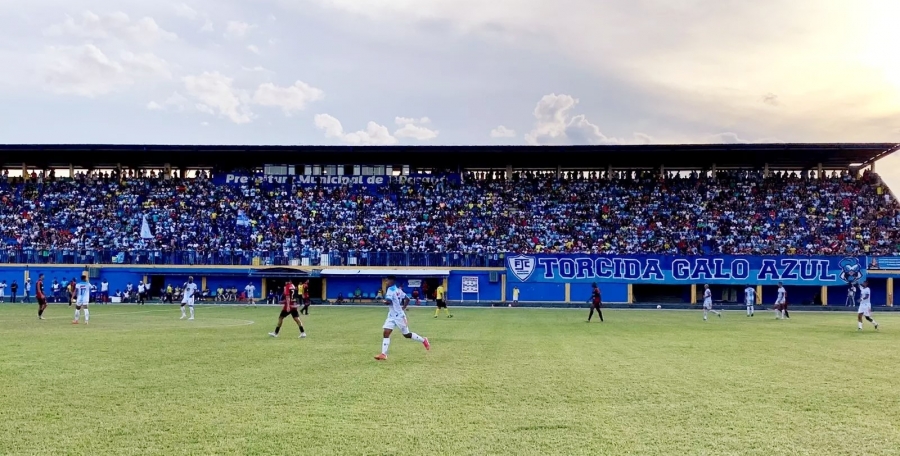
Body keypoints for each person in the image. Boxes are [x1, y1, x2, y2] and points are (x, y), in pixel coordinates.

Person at [374, 275, 430, 361]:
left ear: (391, 281)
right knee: (386, 332)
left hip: (399, 316)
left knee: (406, 335)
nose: (386, 282)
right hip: (392, 315)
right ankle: (383, 354)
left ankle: (423, 340)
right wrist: (403, 307)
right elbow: (407, 299)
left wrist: (383, 301)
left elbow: (388, 302)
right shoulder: (398, 290)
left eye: (387, 281)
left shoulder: (390, 290)